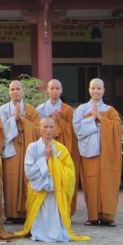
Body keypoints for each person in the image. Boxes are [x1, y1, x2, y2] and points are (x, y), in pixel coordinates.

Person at [15, 117, 90, 242]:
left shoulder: (61, 149)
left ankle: (56, 231)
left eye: (51, 127)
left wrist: (54, 160)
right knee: (39, 219)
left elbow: (70, 172)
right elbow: (29, 172)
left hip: (55, 191)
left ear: (55, 129)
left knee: (54, 216)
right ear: (39, 128)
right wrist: (45, 159)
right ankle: (38, 231)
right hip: (38, 190)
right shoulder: (32, 147)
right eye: (45, 127)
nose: (48, 130)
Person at [73, 78, 122, 227]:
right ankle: (93, 216)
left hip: (107, 153)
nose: (96, 91)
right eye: (93, 88)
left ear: (104, 90)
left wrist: (101, 119)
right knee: (91, 183)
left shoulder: (110, 110)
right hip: (90, 153)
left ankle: (108, 216)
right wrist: (93, 119)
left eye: (99, 88)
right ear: (89, 90)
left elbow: (118, 128)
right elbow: (77, 130)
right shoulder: (81, 109)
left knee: (108, 182)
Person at [0, 80, 41, 223]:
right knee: (10, 179)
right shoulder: (3, 109)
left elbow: (38, 130)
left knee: (27, 177)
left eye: (18, 89)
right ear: (9, 92)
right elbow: (1, 130)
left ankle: (27, 212)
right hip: (11, 149)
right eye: (12, 89)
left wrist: (22, 119)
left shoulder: (31, 109)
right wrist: (13, 120)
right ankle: (11, 214)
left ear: (23, 91)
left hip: (27, 148)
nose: (15, 92)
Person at [36, 78, 80, 214]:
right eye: (52, 88)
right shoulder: (40, 109)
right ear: (47, 90)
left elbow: (72, 131)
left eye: (57, 88)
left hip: (63, 149)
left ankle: (65, 210)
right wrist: (52, 122)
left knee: (64, 177)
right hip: (45, 147)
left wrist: (60, 121)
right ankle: (46, 211)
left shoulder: (68, 110)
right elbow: (37, 130)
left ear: (61, 90)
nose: (54, 91)